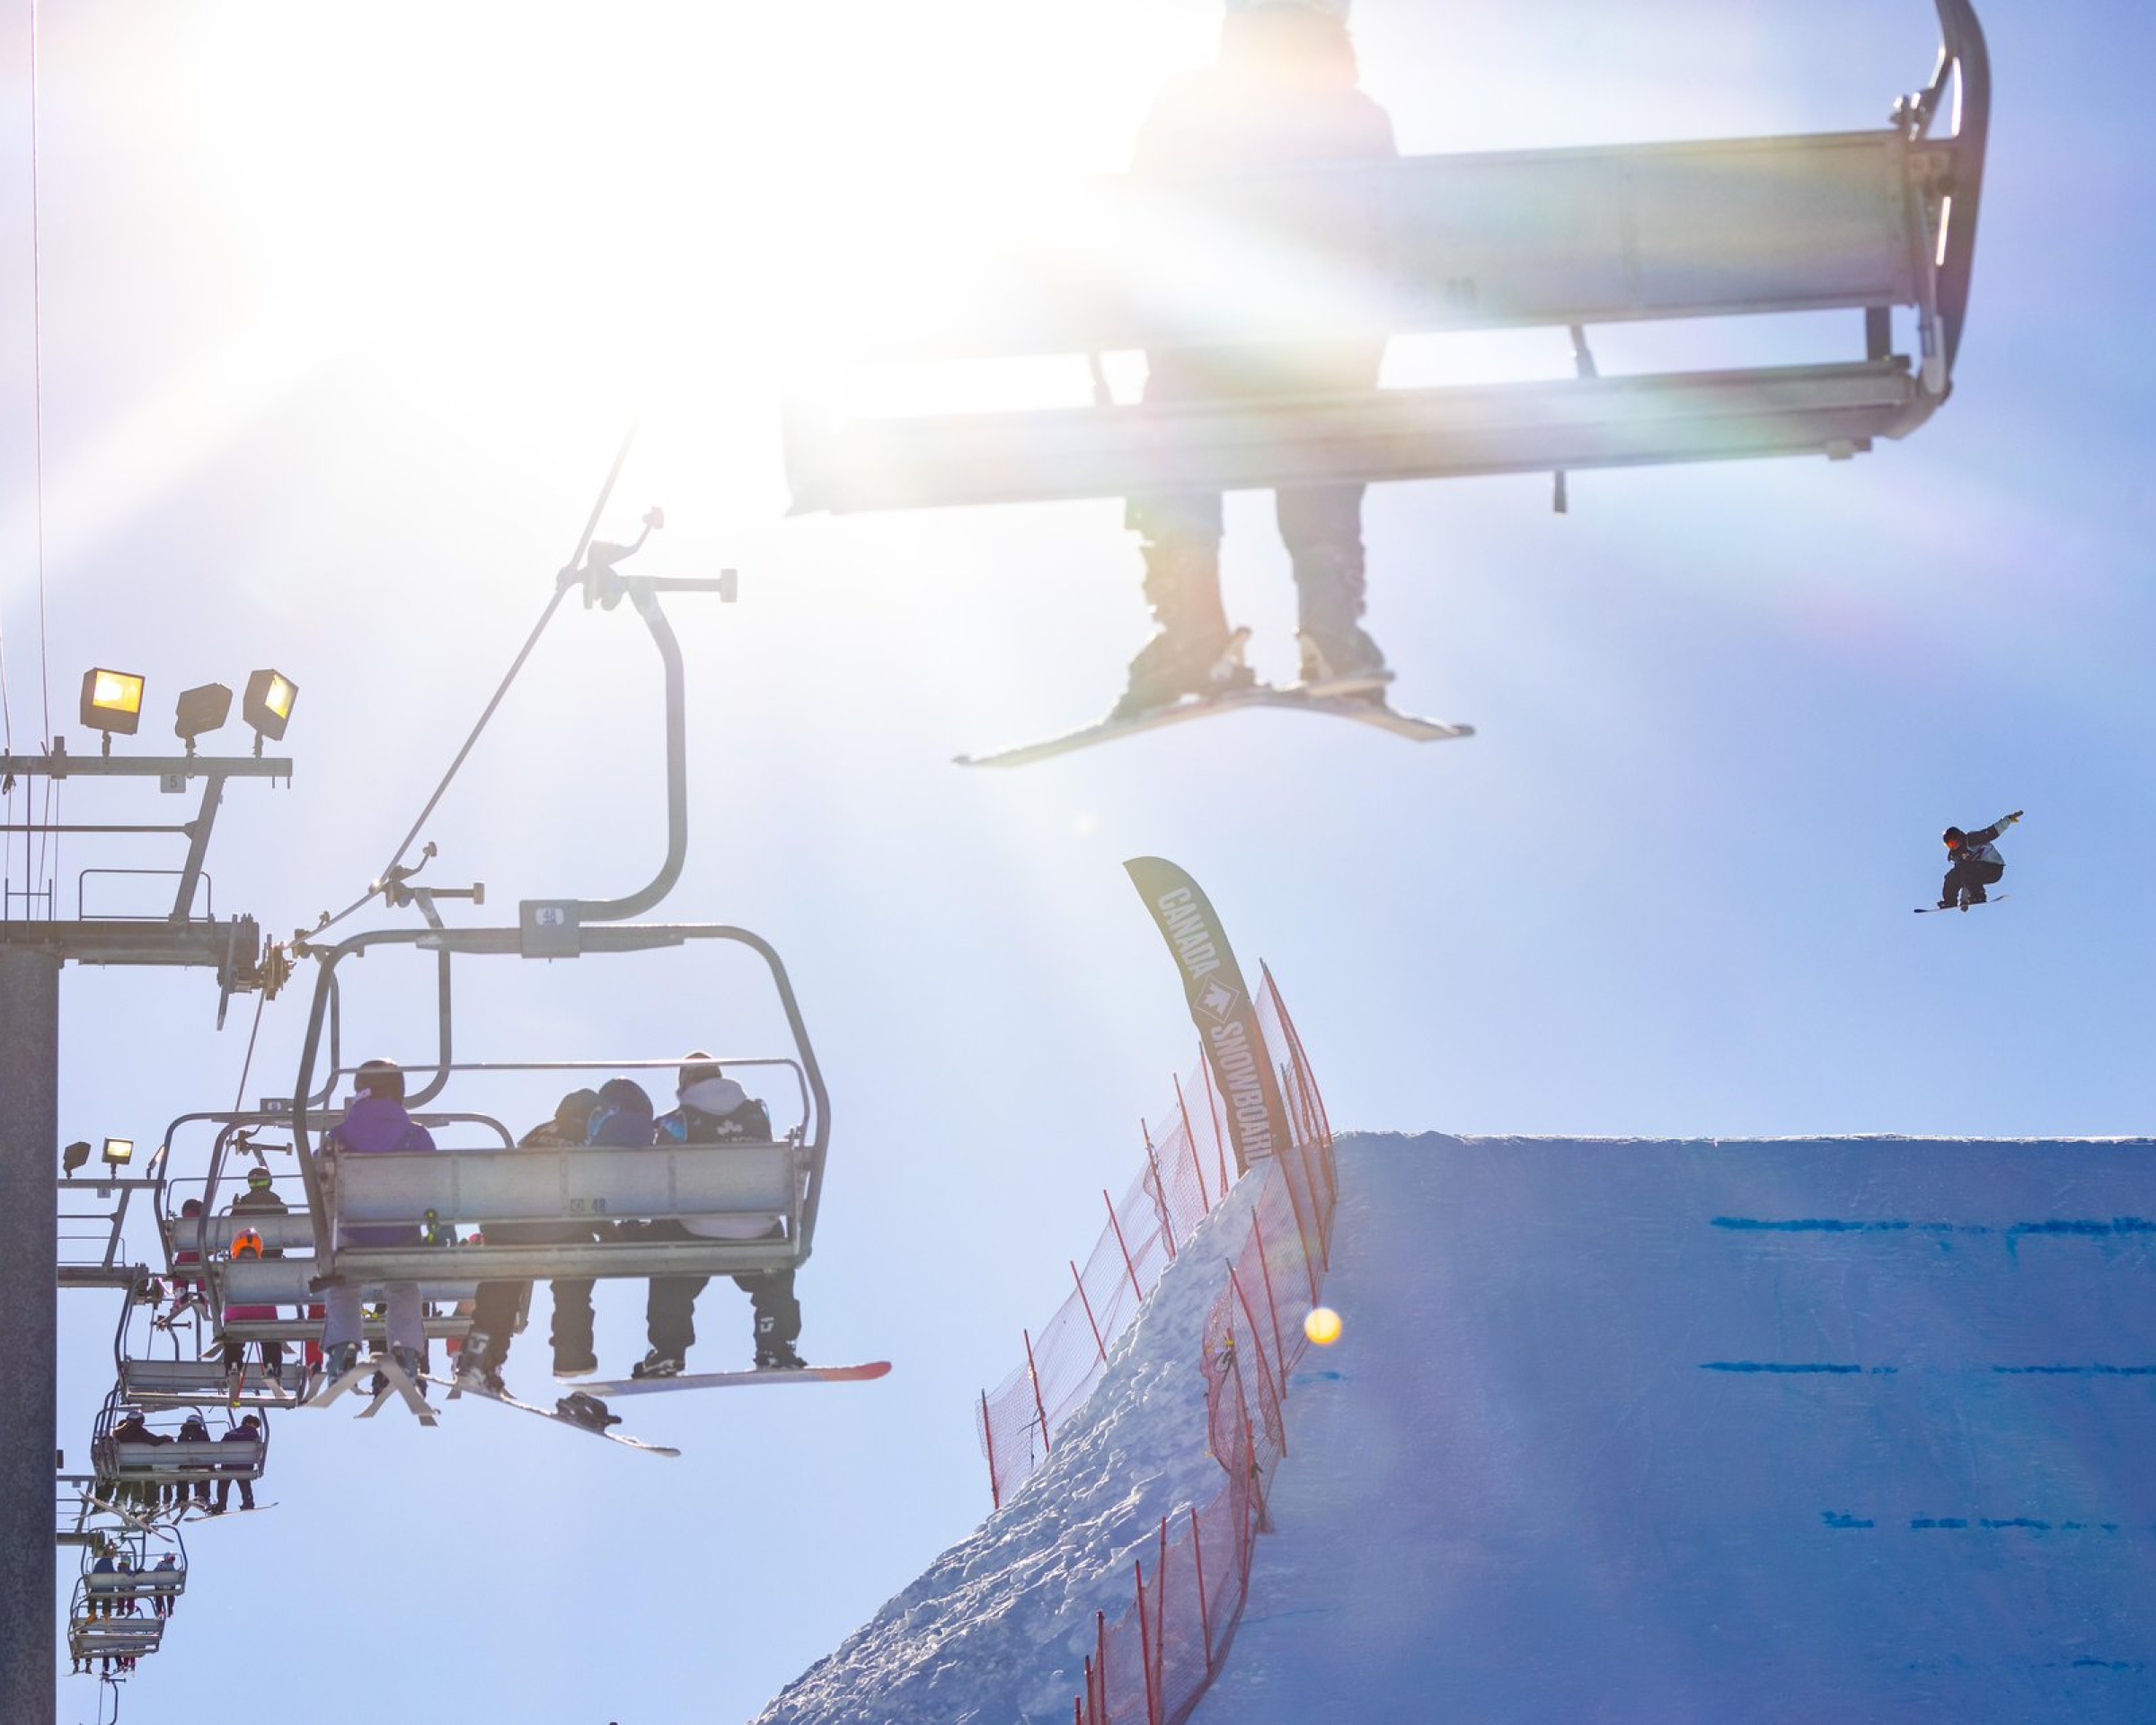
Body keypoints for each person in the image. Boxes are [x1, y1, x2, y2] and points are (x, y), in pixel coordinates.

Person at [1113, 0, 1401, 719]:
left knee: (1168, 423)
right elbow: (1395, 247)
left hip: (1202, 366)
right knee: (1326, 421)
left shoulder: (1189, 102)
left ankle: (1192, 628)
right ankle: (1333, 632)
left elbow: (1133, 235)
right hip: (1318, 368)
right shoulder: (1359, 117)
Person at [634, 1055, 805, 1376]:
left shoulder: (679, 1119)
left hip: (697, 1226)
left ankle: (668, 1350)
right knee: (774, 1275)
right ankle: (775, 1343)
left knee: (671, 1272)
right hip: (758, 1225)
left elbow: (658, 1173)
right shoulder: (757, 1111)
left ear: (685, 1083)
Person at [456, 1087, 603, 1391]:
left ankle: (479, 1359)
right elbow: (592, 1188)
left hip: (506, 1226)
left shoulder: (537, 1134)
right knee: (574, 1276)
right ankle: (571, 1355)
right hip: (557, 1226)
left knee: (499, 1291)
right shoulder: (587, 1138)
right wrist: (608, 1230)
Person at [318, 1057, 437, 1388]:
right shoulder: (415, 1134)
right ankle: (407, 1351)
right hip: (401, 1232)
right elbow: (434, 1182)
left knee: (341, 1281)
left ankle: (342, 1348)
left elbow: (321, 1182)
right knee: (403, 1285)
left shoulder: (338, 1135)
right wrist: (435, 1225)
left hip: (356, 1231)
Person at [219, 1227, 288, 1385]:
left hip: (236, 1317)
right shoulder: (265, 1269)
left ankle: (232, 1365)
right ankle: (272, 1366)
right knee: (271, 1339)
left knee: (232, 1338)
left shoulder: (229, 1269)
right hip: (265, 1316)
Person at [1938, 810, 2022, 908]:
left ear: (1958, 838)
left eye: (1953, 843)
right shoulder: (1957, 856)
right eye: (1949, 845)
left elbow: (1992, 832)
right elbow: (1963, 877)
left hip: (1994, 869)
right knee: (1952, 876)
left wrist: (2008, 819)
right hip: (1976, 871)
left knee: (1967, 867)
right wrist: (1964, 901)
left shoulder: (1972, 839)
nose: (1952, 847)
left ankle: (1978, 895)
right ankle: (1949, 901)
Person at [213, 1413, 263, 1513]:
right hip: (244, 1465)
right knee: (244, 1481)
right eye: (254, 1425)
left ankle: (221, 1505)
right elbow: (258, 1448)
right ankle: (248, 1502)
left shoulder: (231, 1433)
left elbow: (222, 1445)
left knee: (223, 1482)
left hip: (228, 1465)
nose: (254, 1427)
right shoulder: (253, 1433)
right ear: (249, 1423)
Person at [170, 1411, 212, 1511]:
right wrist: (211, 1466)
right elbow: (209, 1449)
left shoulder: (183, 1434)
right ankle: (202, 1496)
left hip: (185, 1464)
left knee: (182, 1476)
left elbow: (179, 1449)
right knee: (204, 1473)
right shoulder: (202, 1434)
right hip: (201, 1463)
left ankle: (182, 1498)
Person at [151, 1552, 179, 1619]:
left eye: (172, 1559)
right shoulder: (161, 1564)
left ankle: (170, 1610)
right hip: (161, 1584)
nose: (172, 1561)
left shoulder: (171, 1566)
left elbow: (174, 1575)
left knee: (170, 1596)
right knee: (159, 1596)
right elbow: (156, 1571)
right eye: (171, 1558)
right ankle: (159, 1610)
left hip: (168, 1585)